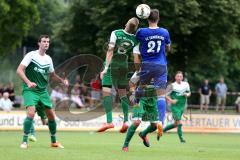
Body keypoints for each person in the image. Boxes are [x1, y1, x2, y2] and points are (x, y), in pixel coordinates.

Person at [16, 34, 68, 149]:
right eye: (44, 41)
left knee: (51, 116)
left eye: (48, 42)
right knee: (30, 112)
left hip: (43, 91)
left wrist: (62, 81)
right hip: (30, 90)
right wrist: (28, 82)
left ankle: (54, 142)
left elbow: (52, 75)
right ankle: (24, 141)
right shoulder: (31, 55)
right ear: (39, 43)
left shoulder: (48, 59)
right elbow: (19, 70)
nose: (46, 43)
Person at [133, 9, 171, 139]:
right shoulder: (164, 32)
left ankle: (136, 103)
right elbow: (168, 48)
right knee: (161, 95)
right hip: (161, 65)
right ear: (158, 18)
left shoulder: (141, 32)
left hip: (147, 65)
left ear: (147, 18)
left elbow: (135, 42)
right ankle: (160, 121)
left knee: (141, 89)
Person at [98, 17, 139, 133]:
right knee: (122, 93)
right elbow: (136, 57)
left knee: (106, 91)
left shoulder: (116, 33)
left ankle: (109, 121)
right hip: (123, 66)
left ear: (126, 23)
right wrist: (137, 73)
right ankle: (126, 121)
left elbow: (110, 50)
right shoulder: (135, 40)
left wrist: (105, 68)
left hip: (112, 65)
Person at [122, 77, 159, 152]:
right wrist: (133, 91)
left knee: (154, 126)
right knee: (136, 122)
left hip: (152, 100)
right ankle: (125, 145)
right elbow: (131, 83)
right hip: (141, 99)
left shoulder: (160, 71)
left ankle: (143, 134)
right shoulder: (141, 71)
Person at [163, 71, 191, 143]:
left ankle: (162, 130)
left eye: (180, 76)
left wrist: (187, 95)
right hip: (175, 107)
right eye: (178, 76)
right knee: (179, 122)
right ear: (175, 77)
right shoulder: (172, 85)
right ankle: (182, 139)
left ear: (182, 77)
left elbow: (189, 93)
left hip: (182, 106)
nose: (179, 78)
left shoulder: (186, 84)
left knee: (176, 124)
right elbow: (164, 94)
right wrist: (171, 100)